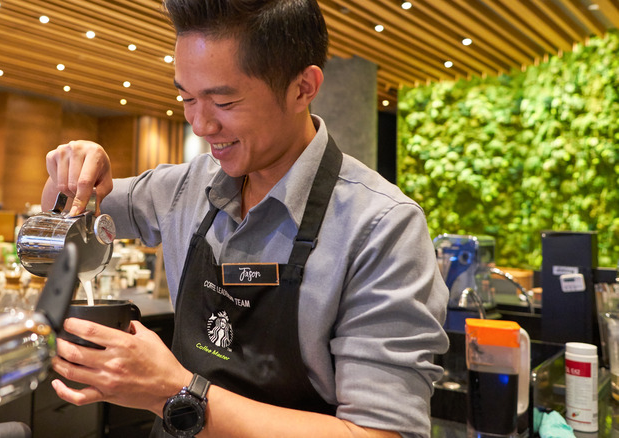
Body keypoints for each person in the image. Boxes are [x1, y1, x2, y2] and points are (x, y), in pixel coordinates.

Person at [42, 0, 449, 436]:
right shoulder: (184, 187)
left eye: (224, 101)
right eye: (186, 98)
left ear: (302, 88)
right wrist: (70, 173)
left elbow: (383, 433)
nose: (199, 125)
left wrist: (173, 392)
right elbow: (65, 220)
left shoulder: (381, 226)